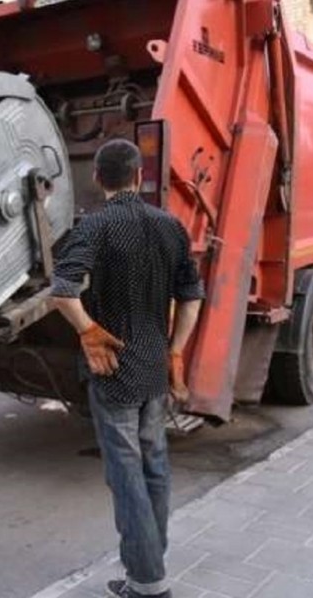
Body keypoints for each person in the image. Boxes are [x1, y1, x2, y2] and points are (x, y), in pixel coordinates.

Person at [50, 139, 204, 598]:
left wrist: (87, 329)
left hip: (113, 368)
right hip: (154, 367)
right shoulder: (170, 226)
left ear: (98, 178)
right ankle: (151, 563)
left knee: (126, 472)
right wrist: (175, 351)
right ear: (139, 176)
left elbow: (62, 290)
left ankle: (147, 581)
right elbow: (192, 296)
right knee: (154, 462)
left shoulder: (94, 227)